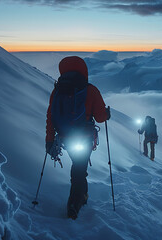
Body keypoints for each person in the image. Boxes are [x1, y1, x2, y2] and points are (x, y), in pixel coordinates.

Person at [45, 56, 110, 220]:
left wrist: (49, 139)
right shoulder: (91, 90)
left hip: (65, 138)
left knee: (79, 168)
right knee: (79, 170)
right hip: (85, 139)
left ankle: (83, 195)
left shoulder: (57, 90)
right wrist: (107, 113)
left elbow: (50, 116)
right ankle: (74, 204)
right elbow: (101, 118)